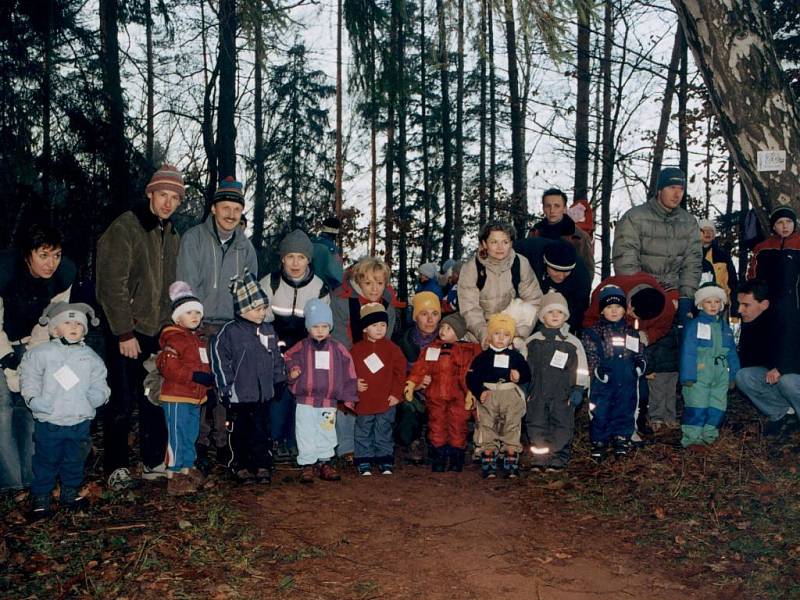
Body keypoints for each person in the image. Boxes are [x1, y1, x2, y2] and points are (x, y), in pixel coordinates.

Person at [96, 164, 184, 490]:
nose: (168, 203)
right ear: (150, 193)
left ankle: (152, 461)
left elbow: (174, 286)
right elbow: (110, 284)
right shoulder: (126, 228)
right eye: (163, 195)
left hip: (157, 331)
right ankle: (116, 467)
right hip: (127, 330)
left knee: (153, 396)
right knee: (121, 399)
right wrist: (123, 331)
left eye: (174, 198)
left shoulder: (173, 235)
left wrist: (175, 327)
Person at [176, 176, 258, 471]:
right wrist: (189, 322)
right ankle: (196, 444)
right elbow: (184, 284)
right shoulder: (194, 239)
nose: (230, 215)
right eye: (225, 208)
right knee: (198, 386)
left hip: (229, 327)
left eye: (236, 210)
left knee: (226, 388)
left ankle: (222, 442)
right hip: (198, 324)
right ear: (213, 208)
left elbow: (248, 293)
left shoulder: (245, 248)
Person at [0, 223, 76, 492]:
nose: (51, 263)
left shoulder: (64, 274)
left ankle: (31, 478)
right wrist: (7, 358)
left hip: (31, 341)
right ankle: (9, 482)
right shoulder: (6, 270)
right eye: (43, 255)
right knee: (3, 409)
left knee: (31, 406)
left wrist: (33, 359)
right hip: (1, 338)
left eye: (56, 255)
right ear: (27, 253)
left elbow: (49, 321)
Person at [20, 302, 109, 519]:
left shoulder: (90, 357)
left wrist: (99, 395)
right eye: (67, 322)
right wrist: (34, 399)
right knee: (45, 459)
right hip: (50, 419)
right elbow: (29, 376)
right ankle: (41, 496)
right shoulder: (41, 353)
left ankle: (70, 491)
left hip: (79, 419)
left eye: (79, 323)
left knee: (75, 458)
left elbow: (100, 380)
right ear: (55, 328)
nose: (74, 327)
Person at [262, 229, 329, 463]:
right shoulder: (270, 283)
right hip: (275, 346)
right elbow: (260, 319)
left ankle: (296, 441)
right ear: (282, 258)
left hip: (305, 349)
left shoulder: (319, 288)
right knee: (278, 393)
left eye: (301, 257)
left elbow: (322, 325)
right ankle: (276, 440)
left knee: (301, 395)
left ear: (308, 260)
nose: (295, 263)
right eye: (290, 256)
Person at [211, 271, 285, 483]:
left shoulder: (269, 330)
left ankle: (262, 464)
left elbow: (277, 357)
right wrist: (224, 388)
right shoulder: (229, 332)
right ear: (242, 310)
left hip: (263, 394)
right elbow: (221, 362)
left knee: (262, 431)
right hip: (240, 395)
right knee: (240, 432)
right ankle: (240, 465)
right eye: (257, 309)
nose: (262, 313)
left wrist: (279, 379)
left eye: (264, 308)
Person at [613, 167, 702, 327]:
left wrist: (686, 298)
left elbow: (692, 263)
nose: (677, 194)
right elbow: (625, 261)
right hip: (644, 295)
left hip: (675, 296)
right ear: (659, 190)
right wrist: (644, 295)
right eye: (671, 187)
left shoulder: (689, 222)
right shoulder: (635, 218)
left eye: (681, 189)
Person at [330, 257, 398, 460]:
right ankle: (347, 446)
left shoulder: (387, 304)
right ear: (358, 281)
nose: (375, 288)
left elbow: (386, 337)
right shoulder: (341, 300)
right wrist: (355, 367)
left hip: (376, 356)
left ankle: (376, 445)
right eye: (368, 283)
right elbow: (339, 338)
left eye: (379, 283)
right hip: (347, 356)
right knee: (347, 392)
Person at [285, 299, 358, 483]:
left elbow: (349, 372)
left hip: (328, 402)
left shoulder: (338, 349)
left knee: (327, 431)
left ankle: (325, 461)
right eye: (315, 326)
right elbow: (287, 358)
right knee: (305, 431)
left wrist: (348, 397)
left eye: (324, 326)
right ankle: (307, 464)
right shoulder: (301, 347)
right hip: (305, 402)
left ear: (330, 327)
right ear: (308, 327)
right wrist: (293, 372)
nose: (320, 330)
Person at [156, 282, 214, 495]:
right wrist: (193, 376)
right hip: (177, 396)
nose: (195, 316)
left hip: (195, 396)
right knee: (177, 434)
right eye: (189, 312)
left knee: (191, 433)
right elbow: (168, 366)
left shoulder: (197, 340)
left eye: (198, 312)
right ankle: (173, 474)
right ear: (177, 317)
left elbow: (203, 364)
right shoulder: (174, 338)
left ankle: (187, 468)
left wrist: (208, 378)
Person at [404, 312, 480, 472]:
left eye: (449, 328)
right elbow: (421, 367)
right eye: (443, 327)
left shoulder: (466, 351)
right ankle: (439, 456)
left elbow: (469, 374)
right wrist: (412, 382)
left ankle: (456, 457)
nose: (443, 331)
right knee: (436, 425)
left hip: (458, 397)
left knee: (457, 426)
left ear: (458, 333)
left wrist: (470, 392)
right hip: (436, 396)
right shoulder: (432, 349)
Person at [525, 292, 590, 472]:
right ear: (542, 316)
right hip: (537, 392)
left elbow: (582, 368)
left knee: (562, 424)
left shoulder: (573, 343)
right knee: (536, 423)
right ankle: (539, 457)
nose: (555, 315)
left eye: (559, 312)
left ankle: (558, 457)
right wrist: (523, 388)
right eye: (550, 312)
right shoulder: (532, 342)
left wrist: (579, 388)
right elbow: (523, 367)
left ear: (565, 316)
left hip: (563, 394)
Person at [581, 286, 646, 462]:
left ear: (625, 309)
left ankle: (621, 438)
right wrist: (597, 370)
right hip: (604, 381)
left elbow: (639, 353)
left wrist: (640, 364)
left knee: (625, 408)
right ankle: (599, 441)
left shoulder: (631, 332)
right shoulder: (594, 332)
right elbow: (590, 353)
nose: (614, 310)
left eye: (618, 306)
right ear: (602, 310)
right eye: (609, 307)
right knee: (600, 410)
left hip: (626, 379)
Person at [466, 313, 531, 479]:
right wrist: (479, 391)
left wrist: (520, 376)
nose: (501, 338)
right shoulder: (481, 358)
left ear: (511, 338)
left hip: (509, 393)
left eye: (506, 334)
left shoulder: (516, 357)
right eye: (497, 333)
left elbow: (527, 374)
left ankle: (511, 455)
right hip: (489, 394)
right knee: (487, 425)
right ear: (489, 336)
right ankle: (489, 455)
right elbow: (471, 377)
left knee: (512, 424)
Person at [459, 221, 543, 347]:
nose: (500, 247)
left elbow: (534, 301)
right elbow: (470, 308)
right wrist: (484, 334)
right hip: (482, 330)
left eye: (505, 242)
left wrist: (518, 334)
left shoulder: (520, 264)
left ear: (511, 243)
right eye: (494, 242)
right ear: (484, 243)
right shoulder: (471, 268)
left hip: (512, 329)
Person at [734, 280, 800, 436]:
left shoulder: (788, 319)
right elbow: (750, 362)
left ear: (763, 304)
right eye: (739, 304)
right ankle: (783, 415)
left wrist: (783, 368)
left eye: (746, 305)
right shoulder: (751, 323)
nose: (739, 310)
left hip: (792, 377)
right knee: (743, 376)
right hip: (778, 377)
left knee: (787, 381)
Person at [746, 205, 800, 394]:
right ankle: (778, 399)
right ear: (773, 226)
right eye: (780, 222)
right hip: (769, 306)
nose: (785, 226)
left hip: (794, 304)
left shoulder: (799, 244)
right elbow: (753, 278)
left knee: (792, 342)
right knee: (770, 345)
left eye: (789, 222)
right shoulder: (763, 248)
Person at [679, 283, 739, 449]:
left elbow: (732, 352)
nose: (713, 305)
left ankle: (709, 435)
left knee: (718, 405)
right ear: (700, 304)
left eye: (717, 302)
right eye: (708, 302)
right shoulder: (694, 325)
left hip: (721, 372)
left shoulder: (725, 327)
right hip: (700, 372)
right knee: (697, 404)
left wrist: (734, 375)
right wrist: (688, 375)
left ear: (721, 304)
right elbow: (688, 351)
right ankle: (692, 439)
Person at [350, 303, 406, 476]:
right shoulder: (356, 350)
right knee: (363, 430)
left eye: (383, 325)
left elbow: (401, 372)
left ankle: (384, 459)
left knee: (384, 429)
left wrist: (397, 394)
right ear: (365, 328)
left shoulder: (392, 349)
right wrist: (354, 383)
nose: (380, 329)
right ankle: (364, 460)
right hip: (365, 400)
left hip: (386, 400)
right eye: (374, 325)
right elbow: (347, 372)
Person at [393, 291, 442, 463]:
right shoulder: (402, 340)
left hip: (441, 393)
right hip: (412, 393)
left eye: (435, 314)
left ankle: (437, 443)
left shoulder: (447, 341)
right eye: (424, 314)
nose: (430, 320)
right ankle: (412, 441)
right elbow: (394, 374)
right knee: (407, 406)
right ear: (415, 317)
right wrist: (414, 383)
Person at [516, 240, 591, 334]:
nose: (561, 276)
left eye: (566, 272)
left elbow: (579, 308)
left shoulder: (581, 275)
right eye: (556, 271)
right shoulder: (530, 257)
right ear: (545, 263)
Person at [529, 188, 594, 274]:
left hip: (569, 286)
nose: (552, 211)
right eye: (548, 206)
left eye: (557, 206)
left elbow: (588, 270)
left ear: (564, 209)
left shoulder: (580, 237)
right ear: (543, 208)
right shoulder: (535, 233)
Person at [698, 219, 738, 315]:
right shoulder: (690, 255)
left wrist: (734, 308)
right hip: (697, 304)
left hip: (720, 305)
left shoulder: (723, 256)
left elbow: (733, 282)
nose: (708, 233)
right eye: (704, 230)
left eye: (711, 231)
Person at [311, 216, 344, 290]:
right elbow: (336, 274)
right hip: (323, 290)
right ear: (335, 232)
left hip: (307, 287)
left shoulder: (312, 243)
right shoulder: (331, 248)